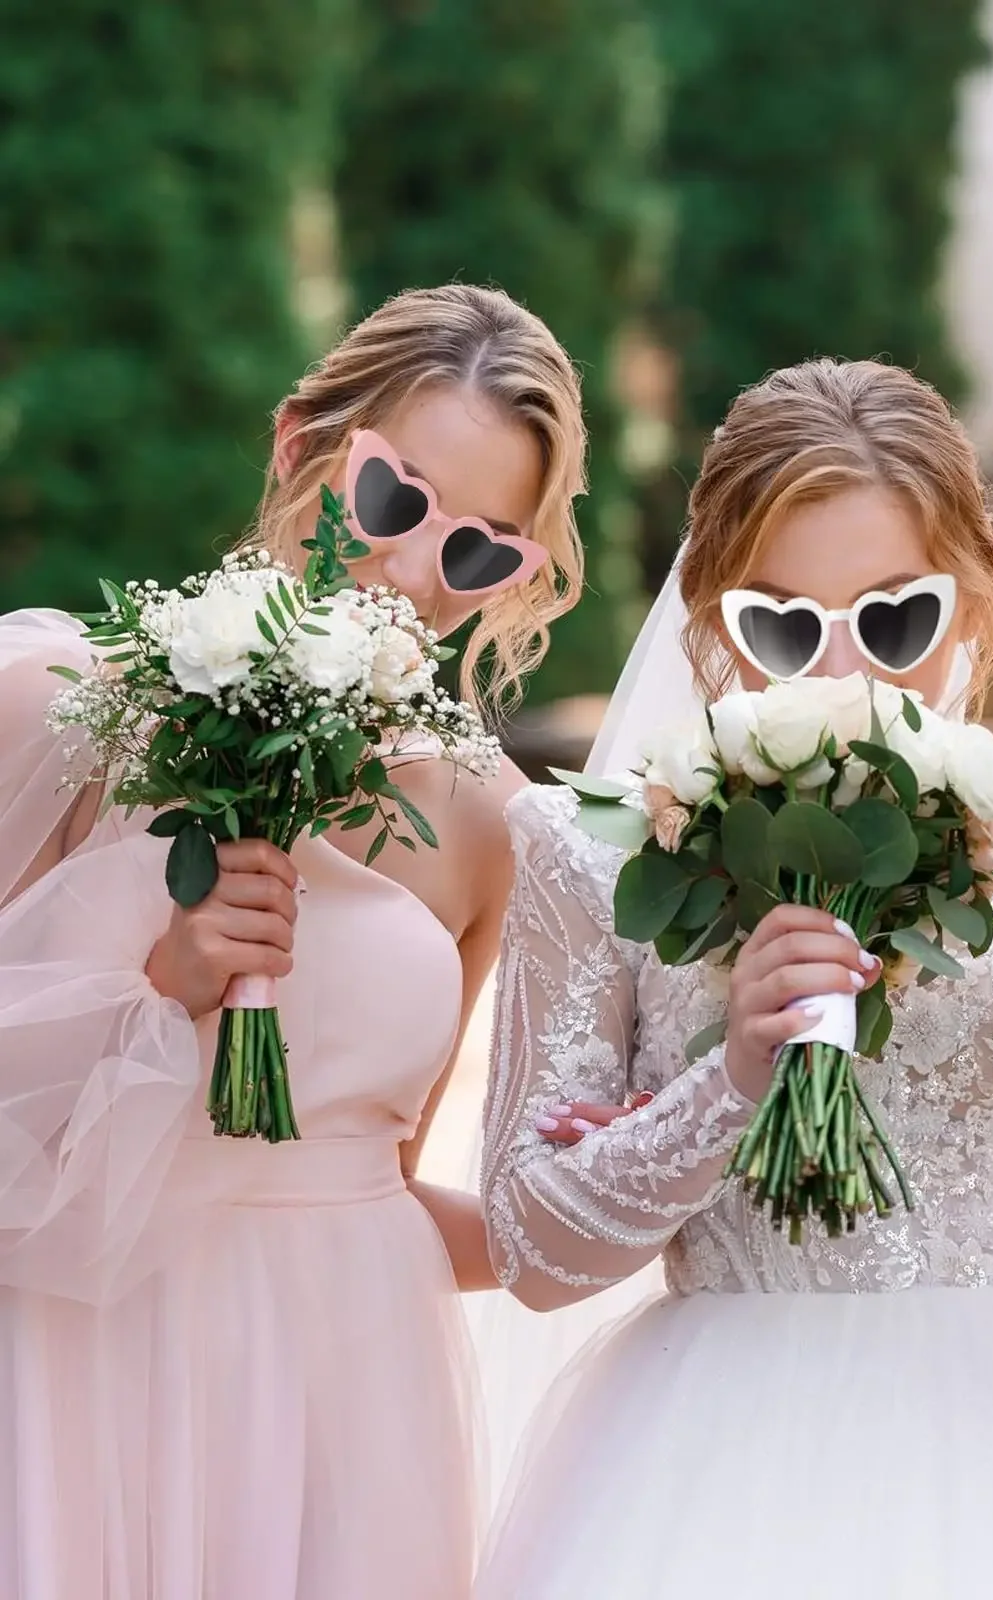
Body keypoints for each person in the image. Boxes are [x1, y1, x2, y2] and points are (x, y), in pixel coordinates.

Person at [471, 358, 993, 1600]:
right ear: (708, 617)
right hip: (707, 1478)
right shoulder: (591, 857)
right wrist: (728, 1076)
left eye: (895, 618)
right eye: (783, 626)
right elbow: (532, 1249)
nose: (843, 672)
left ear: (970, 600)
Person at [0, 283, 586, 1599]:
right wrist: (162, 993)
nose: (416, 573)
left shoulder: (485, 825)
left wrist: (662, 1166)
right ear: (296, 447)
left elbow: (387, 1188)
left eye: (481, 551)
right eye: (395, 500)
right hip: (85, 1366)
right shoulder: (58, 715)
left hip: (347, 1392)